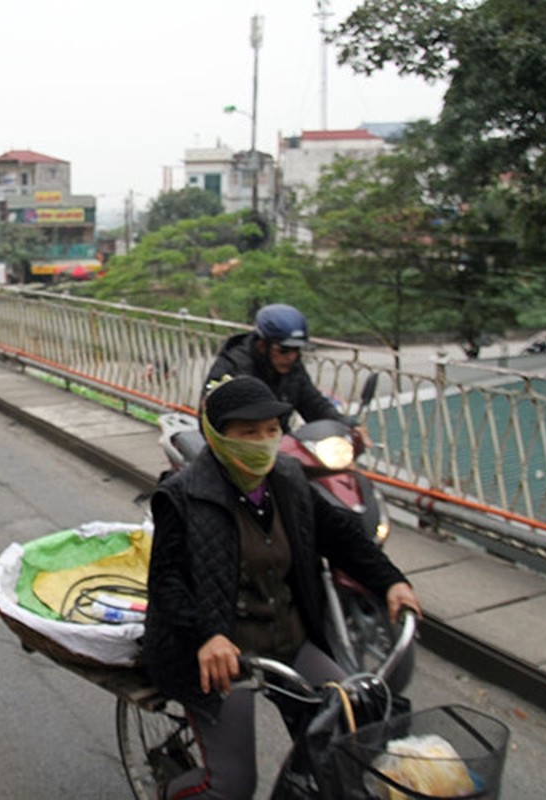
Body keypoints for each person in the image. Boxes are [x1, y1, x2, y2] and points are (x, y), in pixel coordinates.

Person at [143, 375, 422, 800]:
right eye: (248, 433)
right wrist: (207, 637)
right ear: (218, 437)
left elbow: (341, 535)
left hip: (285, 638)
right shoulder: (181, 496)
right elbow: (167, 582)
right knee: (231, 785)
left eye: (272, 430)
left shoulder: (288, 478)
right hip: (223, 654)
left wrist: (391, 581)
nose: (263, 441)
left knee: (350, 728)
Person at [201, 304, 366, 444]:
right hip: (242, 450)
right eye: (283, 350)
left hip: (279, 445)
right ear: (261, 346)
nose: (291, 357)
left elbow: (314, 405)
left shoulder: (293, 369)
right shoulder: (233, 367)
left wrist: (347, 425)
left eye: (296, 350)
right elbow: (208, 417)